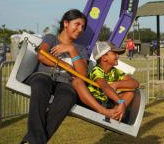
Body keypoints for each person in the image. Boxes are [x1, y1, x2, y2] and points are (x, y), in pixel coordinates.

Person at [21, 9, 117, 144]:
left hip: (66, 83)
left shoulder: (80, 49)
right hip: (44, 75)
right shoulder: (51, 38)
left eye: (82, 27)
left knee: (68, 96)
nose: (80, 29)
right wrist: (67, 67)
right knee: (40, 86)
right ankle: (36, 141)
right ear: (66, 23)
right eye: (77, 24)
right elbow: (42, 55)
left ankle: (32, 141)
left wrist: (71, 51)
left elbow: (82, 74)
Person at [72, 41, 139, 121]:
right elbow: (104, 86)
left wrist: (116, 84)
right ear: (104, 58)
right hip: (93, 101)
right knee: (77, 82)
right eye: (115, 54)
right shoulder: (97, 70)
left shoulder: (114, 71)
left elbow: (135, 83)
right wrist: (120, 101)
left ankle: (116, 114)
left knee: (130, 93)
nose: (118, 57)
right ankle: (106, 112)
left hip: (107, 102)